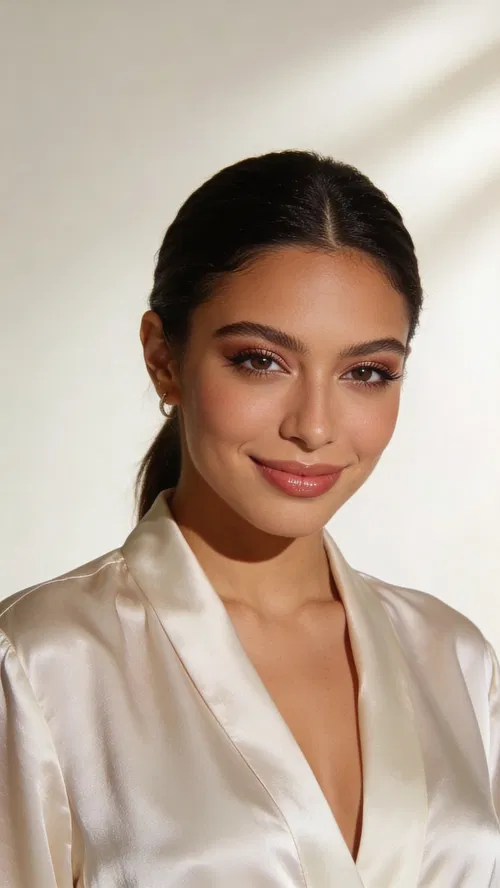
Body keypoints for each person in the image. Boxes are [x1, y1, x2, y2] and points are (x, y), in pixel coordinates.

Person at [0, 150, 498, 888]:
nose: (314, 426)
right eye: (261, 360)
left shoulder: (453, 659)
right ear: (164, 358)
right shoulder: (42, 665)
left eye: (366, 372)